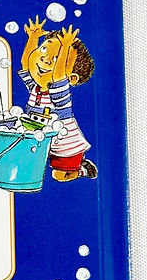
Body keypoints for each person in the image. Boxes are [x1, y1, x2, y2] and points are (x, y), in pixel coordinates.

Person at [19, 16, 97, 181]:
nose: (45, 59)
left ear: (71, 79)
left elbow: (58, 76)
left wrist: (66, 46)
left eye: (56, 58)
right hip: (45, 142)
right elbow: (26, 64)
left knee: (58, 176)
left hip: (66, 148)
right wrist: (33, 37)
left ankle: (82, 169)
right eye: (44, 49)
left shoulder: (59, 94)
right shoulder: (35, 88)